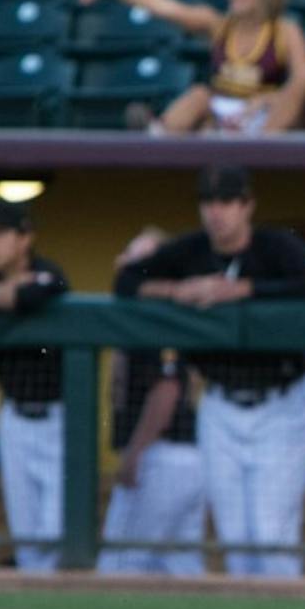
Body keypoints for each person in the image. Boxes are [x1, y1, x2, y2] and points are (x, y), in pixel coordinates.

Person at [115, 166, 305, 578]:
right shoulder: (192, 251)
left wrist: (245, 288)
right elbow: (126, 281)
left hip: (281, 402)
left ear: (247, 205)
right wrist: (175, 290)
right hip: (220, 403)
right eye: (209, 203)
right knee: (234, 534)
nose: (217, 213)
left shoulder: (274, 246)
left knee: (271, 533)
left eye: (227, 203)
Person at [69, 0, 305, 134]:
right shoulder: (218, 24)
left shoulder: (285, 31)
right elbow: (165, 7)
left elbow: (302, 80)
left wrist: (268, 100)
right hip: (221, 113)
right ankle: (157, 135)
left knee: (291, 94)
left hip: (263, 116)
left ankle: (262, 145)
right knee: (199, 94)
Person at [97, 228, 206, 577]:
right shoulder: (144, 313)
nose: (128, 263)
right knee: (178, 566)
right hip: (184, 457)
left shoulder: (154, 316)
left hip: (161, 455)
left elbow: (168, 388)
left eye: (141, 257)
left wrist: (134, 452)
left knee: (119, 563)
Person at [0, 199, 67, 572]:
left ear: (24, 239)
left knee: (55, 529)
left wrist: (14, 295)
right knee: (25, 534)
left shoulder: (45, 270)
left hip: (58, 418)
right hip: (15, 417)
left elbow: (48, 288)